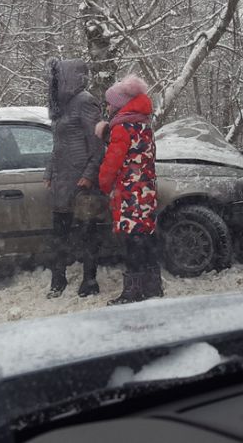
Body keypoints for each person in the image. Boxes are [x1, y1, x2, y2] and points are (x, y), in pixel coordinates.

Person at [97, 74, 163, 305]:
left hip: (129, 194)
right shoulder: (143, 124)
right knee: (145, 238)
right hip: (146, 190)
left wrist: (103, 183)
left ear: (119, 104)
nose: (107, 107)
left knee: (132, 241)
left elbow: (113, 161)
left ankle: (133, 292)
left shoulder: (122, 128)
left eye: (110, 103)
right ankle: (153, 286)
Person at [44, 59, 105, 298]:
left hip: (82, 182)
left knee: (88, 233)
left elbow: (98, 146)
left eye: (59, 77)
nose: (54, 82)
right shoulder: (59, 106)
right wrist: (49, 172)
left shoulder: (86, 102)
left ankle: (90, 281)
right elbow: (56, 146)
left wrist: (89, 176)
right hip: (61, 180)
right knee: (59, 234)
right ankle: (57, 280)